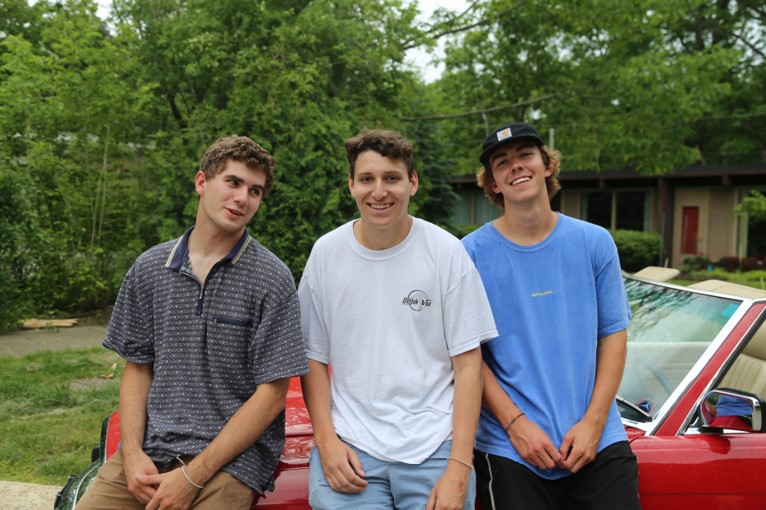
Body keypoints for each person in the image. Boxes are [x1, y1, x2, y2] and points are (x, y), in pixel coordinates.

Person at [75, 136, 308, 510]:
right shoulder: (150, 268)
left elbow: (272, 396)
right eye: (233, 182)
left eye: (255, 191)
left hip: (233, 461)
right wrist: (132, 454)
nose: (242, 198)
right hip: (154, 447)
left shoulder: (272, 278)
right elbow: (138, 368)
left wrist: (192, 476)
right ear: (202, 182)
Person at [298, 128, 498, 510]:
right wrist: (326, 441)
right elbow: (312, 357)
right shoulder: (326, 254)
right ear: (351, 185)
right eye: (367, 179)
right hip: (350, 447)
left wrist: (459, 465)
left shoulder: (445, 252)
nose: (379, 191)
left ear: (412, 183)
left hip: (435, 448)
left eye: (391, 178)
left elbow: (469, 365)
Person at [461, 122, 641, 510]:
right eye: (501, 162)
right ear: (492, 183)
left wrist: (594, 422)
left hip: (598, 439)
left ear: (547, 165)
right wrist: (515, 425)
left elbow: (613, 336)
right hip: (510, 447)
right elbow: (468, 356)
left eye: (526, 155)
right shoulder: (469, 255)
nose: (515, 165)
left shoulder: (594, 242)